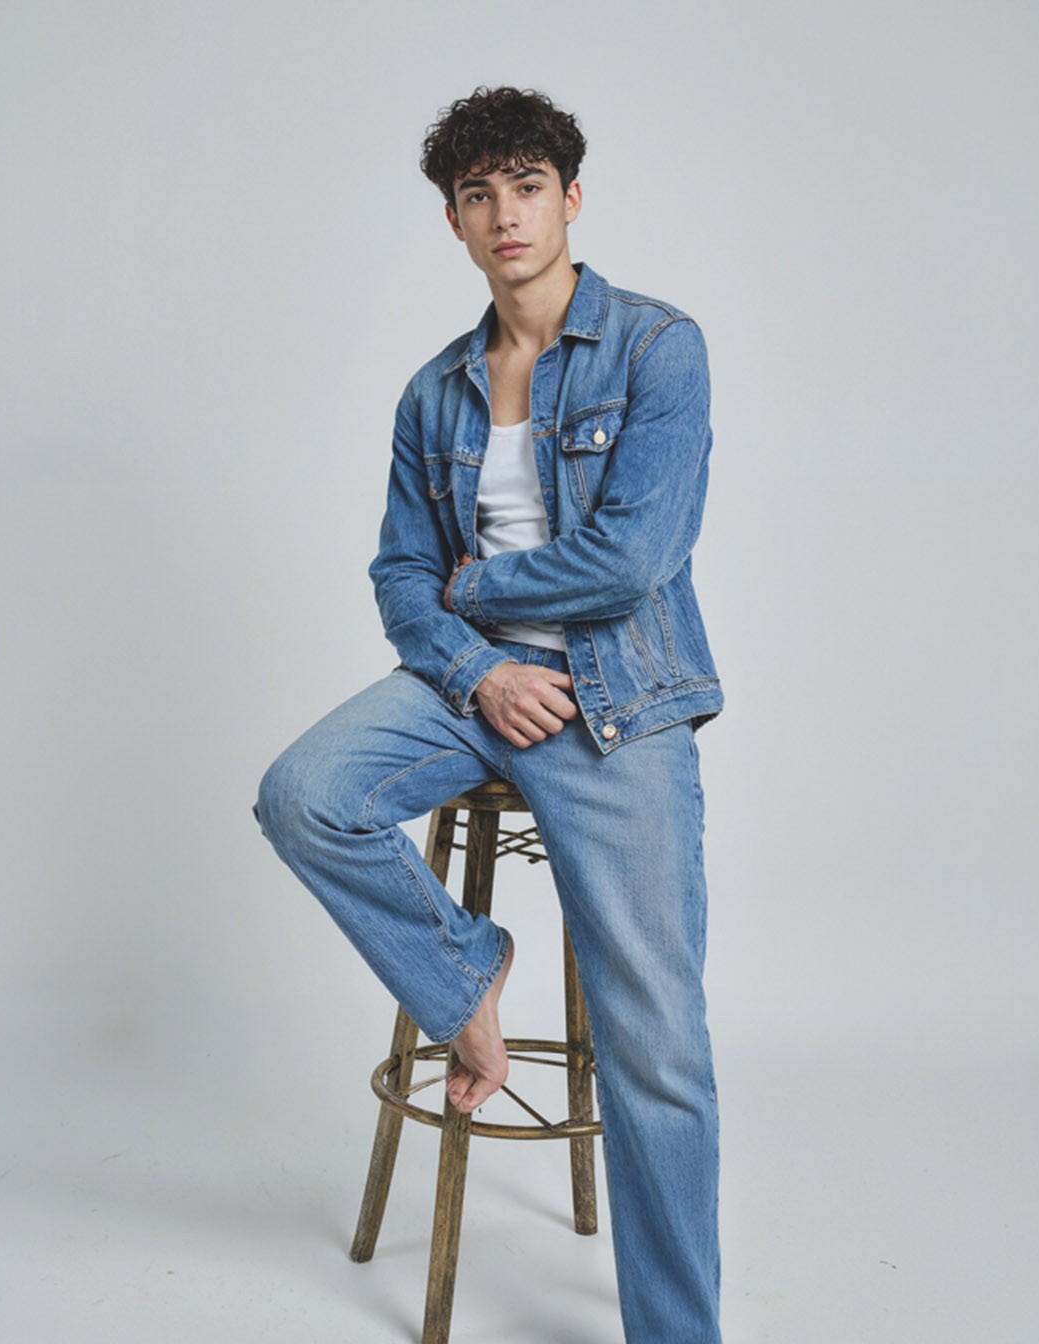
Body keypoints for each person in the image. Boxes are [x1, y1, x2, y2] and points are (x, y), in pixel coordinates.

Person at [255, 85, 726, 1344]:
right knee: (304, 794)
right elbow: (399, 579)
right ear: (455, 222)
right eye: (478, 194)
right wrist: (476, 667)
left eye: (526, 186)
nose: (505, 213)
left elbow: (633, 559)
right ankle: (468, 974)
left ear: (571, 199)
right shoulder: (436, 393)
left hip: (615, 697)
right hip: (470, 687)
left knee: (657, 1048)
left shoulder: (658, 347)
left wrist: (477, 589)